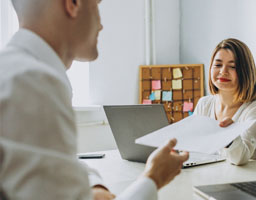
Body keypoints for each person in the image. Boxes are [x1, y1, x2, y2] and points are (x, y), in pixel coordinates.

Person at [0, 0, 189, 199]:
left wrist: (93, 188)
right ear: (72, 4)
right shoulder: (34, 83)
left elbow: (57, 165)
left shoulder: (15, 74)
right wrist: (153, 178)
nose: (100, 25)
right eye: (96, 7)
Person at [193, 38, 256, 165]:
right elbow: (195, 148)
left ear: (245, 72)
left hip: (247, 180)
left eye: (232, 67)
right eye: (218, 65)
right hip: (213, 176)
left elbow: (240, 158)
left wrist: (229, 135)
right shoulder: (204, 104)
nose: (223, 71)